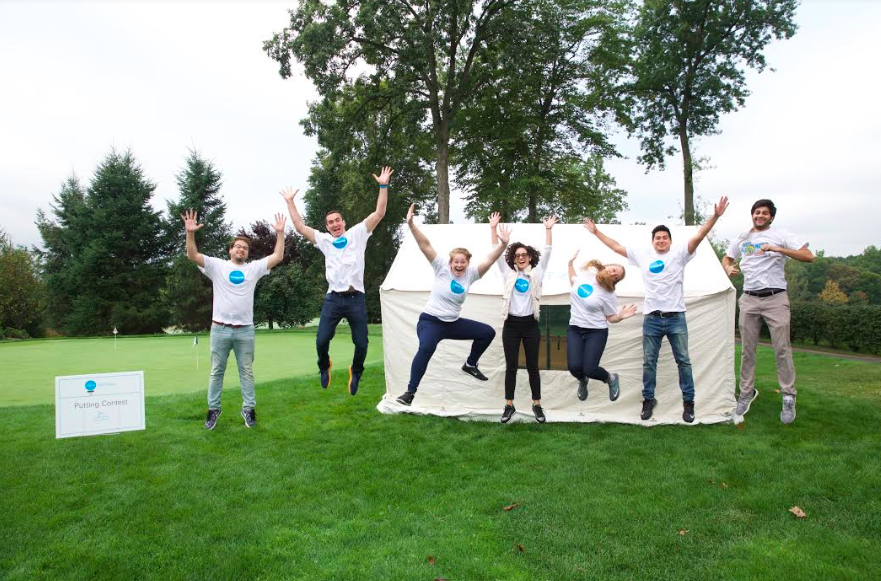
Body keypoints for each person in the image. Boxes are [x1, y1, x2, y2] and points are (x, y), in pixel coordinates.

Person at [586, 196, 729, 422]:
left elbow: (700, 235)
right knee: (649, 363)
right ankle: (648, 400)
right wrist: (596, 232)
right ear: (653, 241)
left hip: (676, 318)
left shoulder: (680, 253)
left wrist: (715, 216)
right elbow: (616, 246)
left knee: (684, 361)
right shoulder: (643, 255)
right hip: (652, 318)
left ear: (670, 241)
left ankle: (689, 402)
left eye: (664, 238)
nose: (661, 240)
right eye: (657, 238)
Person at [280, 166, 394, 396]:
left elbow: (379, 213)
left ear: (344, 222)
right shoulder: (324, 241)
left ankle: (357, 371)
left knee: (361, 343)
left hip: (356, 299)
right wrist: (290, 202)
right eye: (330, 222)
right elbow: (300, 227)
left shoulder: (358, 234)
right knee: (321, 341)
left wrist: (383, 185)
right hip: (333, 299)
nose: (334, 224)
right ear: (327, 227)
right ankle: (325, 366)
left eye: (337, 220)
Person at [395, 204, 510, 407]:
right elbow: (425, 245)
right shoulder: (441, 267)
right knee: (426, 347)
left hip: (452, 323)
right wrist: (411, 225)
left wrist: (503, 245)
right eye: (456, 261)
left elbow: (490, 259)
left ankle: (470, 364)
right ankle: (409, 393)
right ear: (450, 262)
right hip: (431, 322)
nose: (459, 265)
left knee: (487, 332)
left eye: (462, 262)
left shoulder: (471, 274)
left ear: (467, 263)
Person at [182, 210, 287, 430]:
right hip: (220, 329)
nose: (241, 249)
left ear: (247, 253)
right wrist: (190, 233)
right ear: (230, 250)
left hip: (245, 331)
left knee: (246, 372)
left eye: (245, 248)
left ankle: (249, 409)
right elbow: (192, 255)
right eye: (237, 246)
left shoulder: (253, 269)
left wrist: (279, 233)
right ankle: (213, 409)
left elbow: (277, 256)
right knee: (216, 372)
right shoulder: (217, 266)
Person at [722, 199, 813, 425]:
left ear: (771, 217)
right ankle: (746, 394)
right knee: (747, 351)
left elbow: (809, 256)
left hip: (775, 298)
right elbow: (727, 256)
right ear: (752, 215)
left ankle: (788, 396)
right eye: (756, 212)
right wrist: (728, 267)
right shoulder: (743, 237)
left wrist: (778, 249)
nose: (760, 216)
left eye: (764, 213)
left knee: (782, 349)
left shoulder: (781, 234)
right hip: (749, 299)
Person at [488, 213, 556, 423]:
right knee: (511, 367)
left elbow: (548, 251)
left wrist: (548, 229)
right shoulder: (508, 273)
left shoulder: (537, 273)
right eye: (517, 255)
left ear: (530, 257)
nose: (521, 257)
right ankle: (509, 405)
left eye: (524, 254)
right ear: (513, 258)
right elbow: (495, 251)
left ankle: (537, 404)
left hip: (530, 326)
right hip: (511, 326)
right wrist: (493, 229)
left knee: (533, 367)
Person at [566, 250, 637, 403]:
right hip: (575, 329)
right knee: (574, 367)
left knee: (590, 369)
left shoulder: (608, 294)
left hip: (596, 332)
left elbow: (610, 317)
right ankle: (582, 380)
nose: (614, 273)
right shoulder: (586, 276)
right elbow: (573, 282)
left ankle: (610, 378)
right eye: (614, 269)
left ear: (614, 281)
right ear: (606, 266)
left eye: (616, 276)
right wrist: (570, 263)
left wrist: (620, 316)